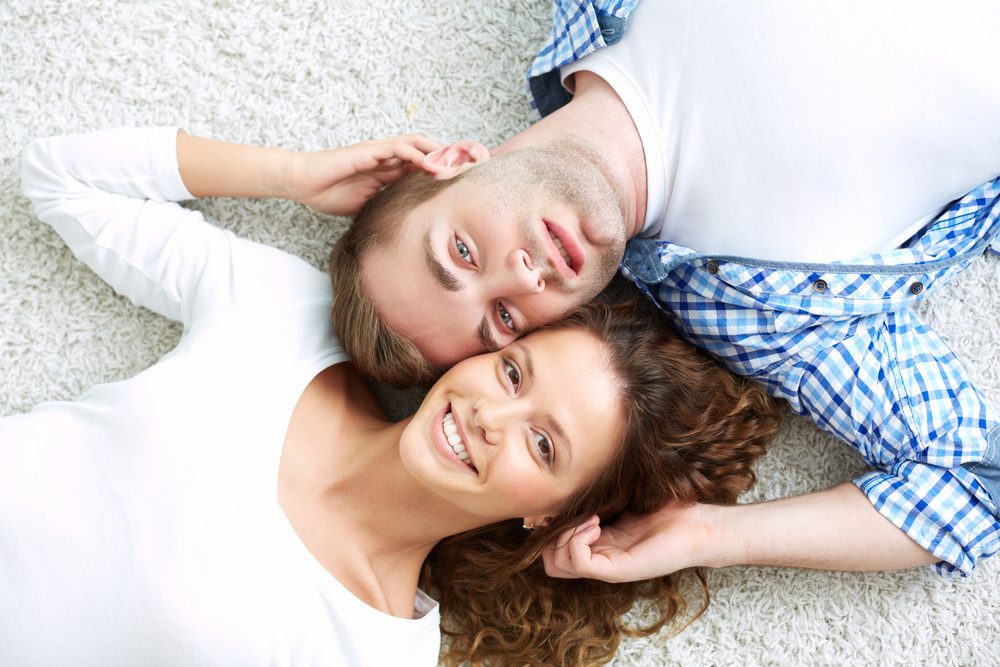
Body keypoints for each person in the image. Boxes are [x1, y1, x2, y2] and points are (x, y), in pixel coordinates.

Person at [2, 126, 780, 666]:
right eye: (513, 373)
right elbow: (59, 176)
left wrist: (712, 537)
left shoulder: (370, 647)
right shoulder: (285, 316)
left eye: (544, 445)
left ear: (551, 513)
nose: (489, 416)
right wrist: (290, 176)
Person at [328, 0, 1000, 581]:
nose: (522, 277)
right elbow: (973, 485)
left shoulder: (592, 20)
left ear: (453, 164)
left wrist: (284, 176)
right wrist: (713, 535)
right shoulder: (762, 314)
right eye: (505, 317)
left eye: (462, 252)